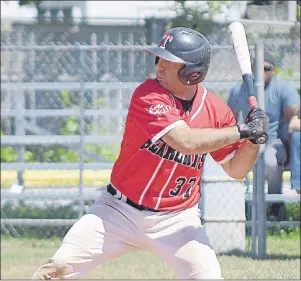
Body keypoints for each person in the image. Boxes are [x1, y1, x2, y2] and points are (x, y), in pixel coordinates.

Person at [31, 27, 269, 280]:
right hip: (117, 212)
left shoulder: (216, 111)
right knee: (55, 270)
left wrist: (252, 140)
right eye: (159, 60)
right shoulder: (148, 94)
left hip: (177, 219)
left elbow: (236, 170)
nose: (159, 67)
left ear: (192, 73)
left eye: (169, 63)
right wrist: (242, 130)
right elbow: (185, 141)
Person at [228, 50, 300, 218]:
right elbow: (229, 119)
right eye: (258, 68)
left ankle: (274, 205)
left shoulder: (283, 89)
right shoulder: (239, 89)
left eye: (267, 69)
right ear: (251, 70)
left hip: (274, 142)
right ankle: (244, 205)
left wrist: (290, 155)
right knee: (234, 162)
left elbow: (293, 122)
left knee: (270, 162)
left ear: (273, 71)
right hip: (247, 141)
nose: (262, 73)